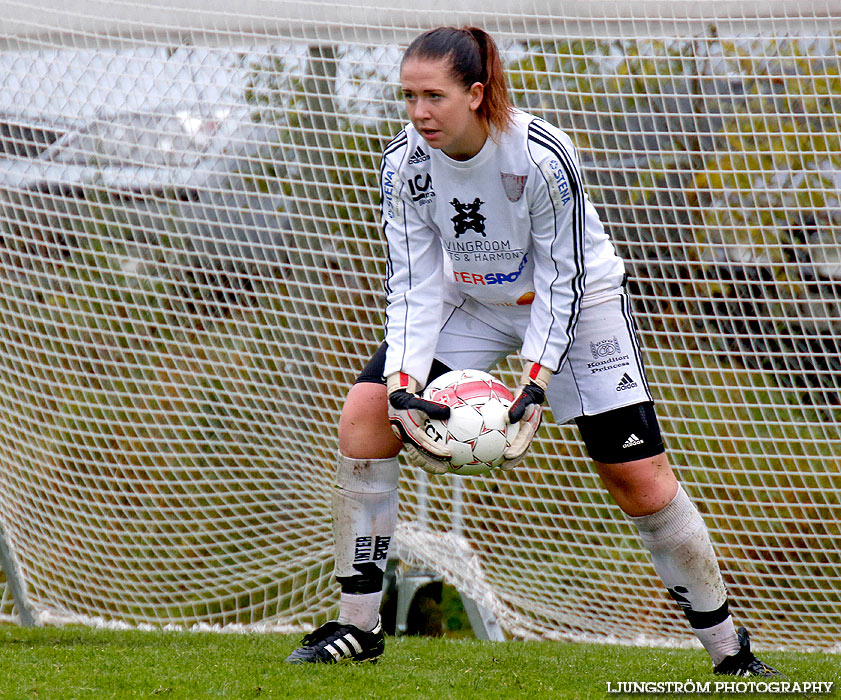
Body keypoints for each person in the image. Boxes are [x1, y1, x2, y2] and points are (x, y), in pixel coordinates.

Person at [285, 26, 779, 676]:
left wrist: (535, 382)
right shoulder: (404, 164)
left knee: (637, 479)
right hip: (467, 303)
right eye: (408, 96)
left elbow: (563, 278)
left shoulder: (541, 155)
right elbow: (411, 279)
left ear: (476, 92)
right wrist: (405, 383)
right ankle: (357, 628)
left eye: (432, 95)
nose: (418, 112)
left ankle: (729, 655)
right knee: (366, 416)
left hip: (575, 303)